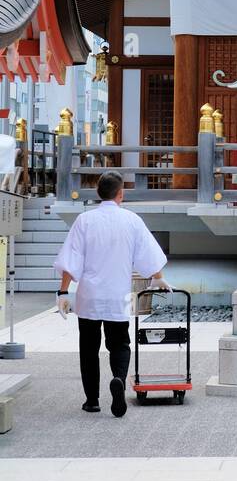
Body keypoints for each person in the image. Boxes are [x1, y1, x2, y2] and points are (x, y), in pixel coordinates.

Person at [54, 170, 170, 418]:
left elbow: (71, 259)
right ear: (121, 194)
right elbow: (148, 255)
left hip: (89, 296)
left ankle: (92, 400)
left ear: (98, 193)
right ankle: (118, 378)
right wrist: (158, 278)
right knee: (120, 343)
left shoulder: (85, 221)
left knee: (89, 348)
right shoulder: (131, 220)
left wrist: (63, 292)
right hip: (118, 294)